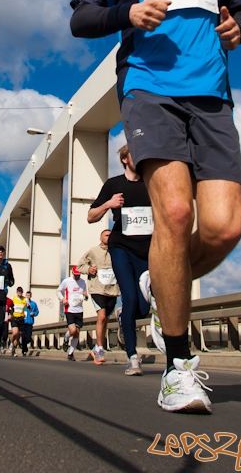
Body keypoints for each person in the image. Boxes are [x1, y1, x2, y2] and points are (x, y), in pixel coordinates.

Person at [70, 0, 241, 413]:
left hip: (212, 99)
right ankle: (178, 367)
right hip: (150, 92)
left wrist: (237, 28)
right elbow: (81, 17)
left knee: (223, 228)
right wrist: (129, 13)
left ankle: (159, 283)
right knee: (175, 216)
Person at [87, 146, 153, 375]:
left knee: (142, 308)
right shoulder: (114, 185)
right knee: (130, 296)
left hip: (147, 249)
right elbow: (90, 216)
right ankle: (133, 358)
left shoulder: (151, 182)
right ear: (125, 159)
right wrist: (108, 204)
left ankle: (124, 314)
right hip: (121, 247)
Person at [77, 229, 120, 366]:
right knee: (101, 317)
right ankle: (100, 349)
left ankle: (97, 348)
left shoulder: (117, 251)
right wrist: (89, 270)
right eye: (107, 235)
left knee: (105, 319)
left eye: (111, 235)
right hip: (96, 288)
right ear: (101, 238)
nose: (109, 237)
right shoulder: (93, 251)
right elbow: (80, 265)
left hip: (112, 289)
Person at [56, 266, 88, 361]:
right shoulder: (67, 281)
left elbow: (85, 295)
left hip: (79, 310)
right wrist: (62, 299)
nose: (77, 277)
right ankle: (66, 340)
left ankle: (70, 353)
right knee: (73, 330)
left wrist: (86, 296)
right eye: (76, 275)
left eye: (79, 275)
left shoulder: (83, 282)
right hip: (69, 309)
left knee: (77, 333)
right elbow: (58, 291)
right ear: (72, 273)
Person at [21, 291, 39, 356]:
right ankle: (24, 350)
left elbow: (37, 311)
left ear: (30, 296)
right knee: (23, 337)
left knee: (28, 338)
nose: (28, 296)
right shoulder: (23, 303)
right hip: (23, 323)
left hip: (29, 323)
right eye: (27, 295)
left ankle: (24, 345)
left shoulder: (33, 304)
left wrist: (33, 313)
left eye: (29, 295)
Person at [11, 287, 26, 356]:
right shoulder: (13, 298)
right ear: (17, 292)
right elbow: (9, 306)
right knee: (15, 333)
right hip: (14, 318)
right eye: (19, 292)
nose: (20, 293)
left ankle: (14, 349)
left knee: (19, 335)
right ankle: (11, 343)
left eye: (21, 292)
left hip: (21, 319)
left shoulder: (25, 299)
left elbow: (29, 307)